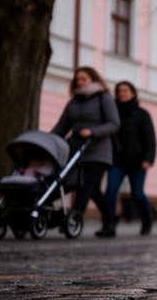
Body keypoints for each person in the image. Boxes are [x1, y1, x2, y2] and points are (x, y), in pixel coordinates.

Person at [51, 66, 120, 238]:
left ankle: (74, 219)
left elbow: (114, 123)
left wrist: (93, 132)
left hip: (99, 151)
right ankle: (110, 222)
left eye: (84, 79)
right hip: (76, 150)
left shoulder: (104, 98)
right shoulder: (73, 102)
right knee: (93, 190)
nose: (80, 82)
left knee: (85, 186)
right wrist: (49, 140)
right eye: (77, 80)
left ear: (93, 80)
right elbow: (62, 126)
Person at [103, 81, 156, 237]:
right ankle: (109, 224)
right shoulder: (112, 113)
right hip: (117, 161)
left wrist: (148, 159)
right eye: (119, 91)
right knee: (110, 191)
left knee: (137, 194)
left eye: (125, 90)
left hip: (138, 162)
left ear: (133, 93)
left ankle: (147, 220)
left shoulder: (142, 114)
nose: (122, 93)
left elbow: (150, 140)